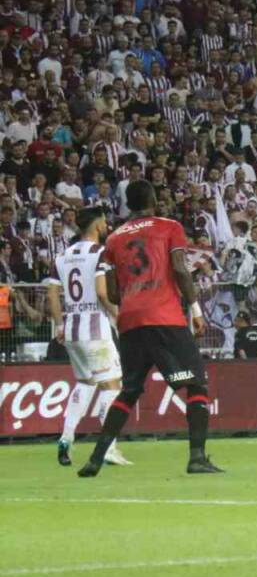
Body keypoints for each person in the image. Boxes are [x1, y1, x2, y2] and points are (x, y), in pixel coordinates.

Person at [78, 181, 221, 476]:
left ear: (129, 204)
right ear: (154, 199)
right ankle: (197, 457)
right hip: (164, 316)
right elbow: (180, 269)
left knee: (129, 390)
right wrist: (195, 309)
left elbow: (114, 293)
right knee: (197, 384)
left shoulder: (114, 238)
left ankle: (96, 457)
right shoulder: (169, 226)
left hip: (129, 320)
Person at [45, 206, 129, 468]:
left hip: (71, 328)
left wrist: (59, 325)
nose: (106, 226)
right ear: (96, 225)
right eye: (104, 222)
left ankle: (66, 438)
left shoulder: (62, 255)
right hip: (95, 329)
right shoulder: (100, 253)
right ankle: (109, 447)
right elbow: (103, 294)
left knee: (85, 384)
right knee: (112, 386)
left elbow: (51, 295)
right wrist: (119, 316)